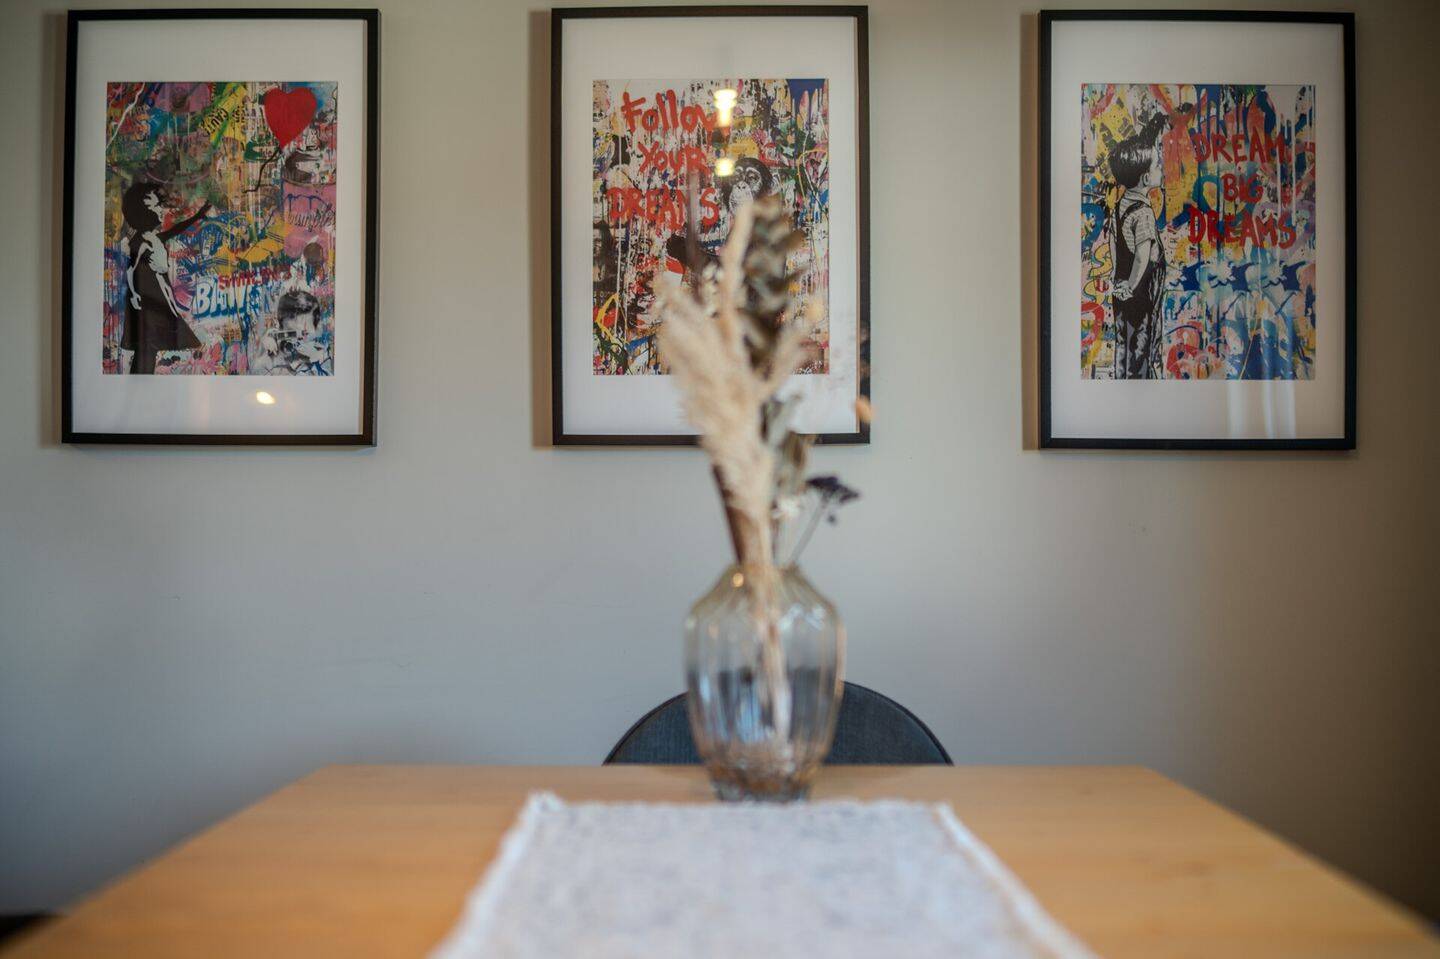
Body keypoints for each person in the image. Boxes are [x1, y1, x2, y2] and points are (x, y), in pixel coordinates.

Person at [120, 182, 212, 374]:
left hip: (158, 302)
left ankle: (141, 380)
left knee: (149, 349)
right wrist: (134, 294)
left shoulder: (155, 239)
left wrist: (198, 216)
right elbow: (131, 270)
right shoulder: (141, 242)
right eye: (156, 206)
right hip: (147, 306)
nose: (161, 210)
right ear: (143, 212)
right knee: (146, 349)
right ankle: (139, 381)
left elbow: (177, 229)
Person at [1108, 113, 1170, 380]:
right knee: (1141, 343)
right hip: (1139, 293)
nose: (1161, 168)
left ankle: (1123, 379)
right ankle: (1139, 384)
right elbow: (1143, 257)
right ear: (1145, 179)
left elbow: (1113, 242)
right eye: (1157, 165)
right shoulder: (1144, 213)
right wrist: (1132, 286)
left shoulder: (1119, 206)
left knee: (1123, 341)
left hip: (1121, 288)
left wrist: (1118, 279)